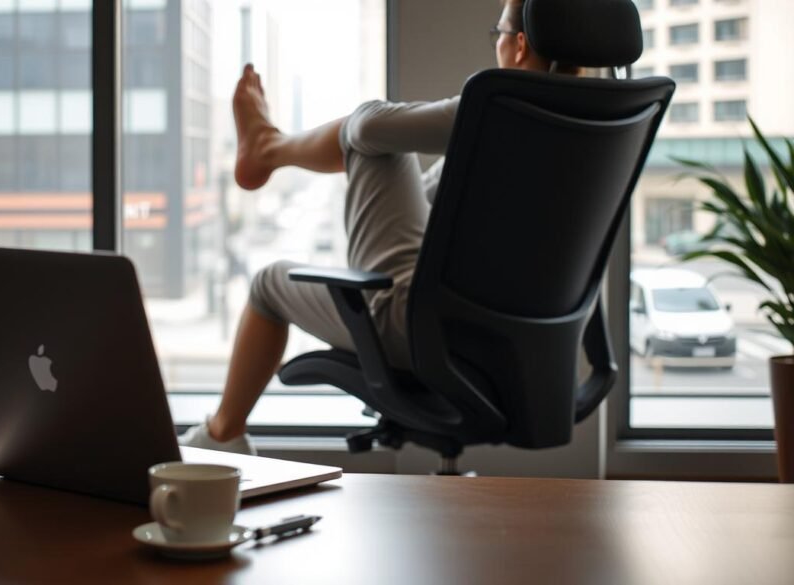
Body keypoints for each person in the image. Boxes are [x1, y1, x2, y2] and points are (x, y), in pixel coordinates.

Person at [179, 0, 580, 454]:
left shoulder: (499, 104)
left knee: (270, 282)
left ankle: (222, 435)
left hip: (426, 335)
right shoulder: (610, 120)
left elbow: (366, 126)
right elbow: (432, 201)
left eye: (498, 33)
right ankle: (268, 148)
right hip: (528, 351)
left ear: (520, 44)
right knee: (385, 143)